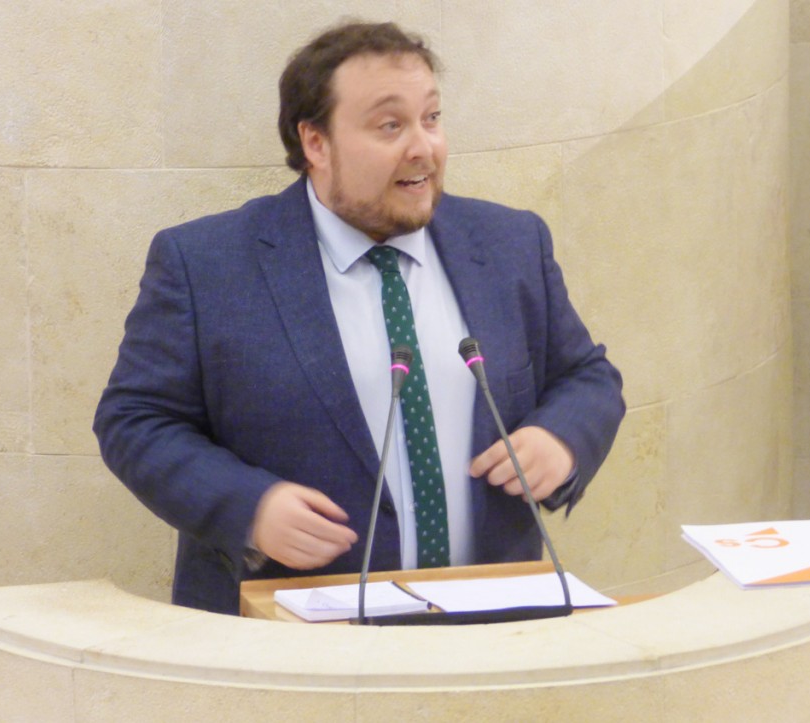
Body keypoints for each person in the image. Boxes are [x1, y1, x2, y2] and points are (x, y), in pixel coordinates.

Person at [94, 21, 625, 615]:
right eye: (390, 126)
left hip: (490, 626)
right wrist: (250, 508)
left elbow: (587, 377)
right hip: (287, 631)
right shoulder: (207, 265)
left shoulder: (510, 243)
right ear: (316, 143)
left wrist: (560, 439)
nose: (423, 148)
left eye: (431, 118)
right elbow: (134, 421)